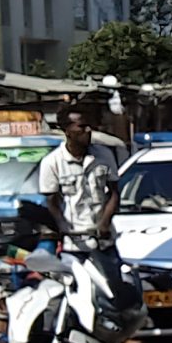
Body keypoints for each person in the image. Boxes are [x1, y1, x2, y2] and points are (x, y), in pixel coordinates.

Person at [36, 106, 117, 251]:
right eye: (82, 126)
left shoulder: (105, 156)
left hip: (104, 243)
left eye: (89, 126)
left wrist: (104, 224)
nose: (88, 131)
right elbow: (51, 202)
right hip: (73, 245)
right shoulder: (52, 162)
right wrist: (63, 227)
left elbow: (114, 193)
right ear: (67, 131)